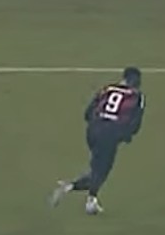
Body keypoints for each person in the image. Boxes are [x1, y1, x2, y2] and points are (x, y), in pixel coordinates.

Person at [49, 67, 145, 214]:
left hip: (93, 130)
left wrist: (97, 123)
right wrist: (125, 135)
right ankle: (83, 195)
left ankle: (81, 193)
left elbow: (88, 112)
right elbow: (135, 123)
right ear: (136, 81)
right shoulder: (137, 96)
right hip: (110, 133)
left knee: (98, 168)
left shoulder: (108, 89)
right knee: (101, 171)